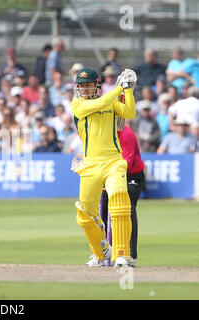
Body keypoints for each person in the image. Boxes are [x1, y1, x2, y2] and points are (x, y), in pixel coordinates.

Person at [71, 67, 136, 267]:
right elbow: (98, 104)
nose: (85, 89)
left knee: (119, 201)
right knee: (85, 214)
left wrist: (128, 90)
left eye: (89, 85)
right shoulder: (77, 105)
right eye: (82, 86)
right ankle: (101, 253)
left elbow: (130, 112)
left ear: (96, 86)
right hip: (90, 164)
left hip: (113, 161)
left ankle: (122, 254)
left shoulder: (112, 102)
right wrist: (119, 88)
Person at [100, 117, 145, 268]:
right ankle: (101, 253)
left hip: (131, 176)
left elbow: (128, 161)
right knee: (102, 208)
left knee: (127, 206)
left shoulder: (126, 134)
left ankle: (130, 255)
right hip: (110, 175)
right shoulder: (102, 134)